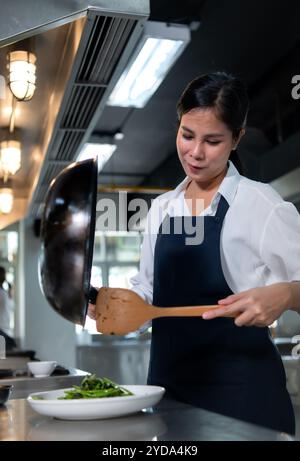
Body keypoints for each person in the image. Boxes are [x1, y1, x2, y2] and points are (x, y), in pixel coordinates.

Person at [89, 72, 300, 435]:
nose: (195, 152)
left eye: (213, 141)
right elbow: (149, 297)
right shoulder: (161, 210)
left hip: (242, 396)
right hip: (170, 392)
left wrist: (288, 293)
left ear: (237, 139)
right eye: (187, 135)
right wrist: (108, 306)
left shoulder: (259, 204)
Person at [0, 266, 16, 350]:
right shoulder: (2, 293)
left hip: (6, 329)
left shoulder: (4, 293)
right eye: (2, 275)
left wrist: (10, 294)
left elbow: (11, 308)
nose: (4, 277)